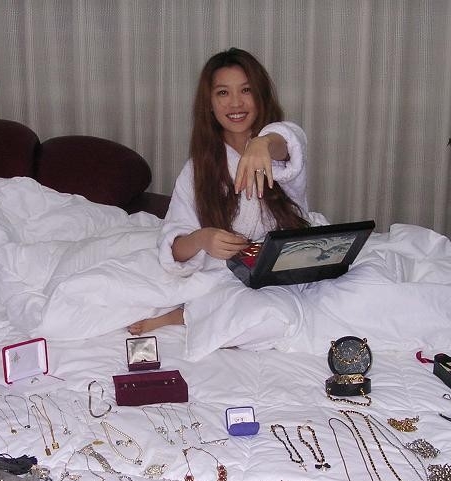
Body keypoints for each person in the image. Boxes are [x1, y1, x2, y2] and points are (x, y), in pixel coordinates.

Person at [128, 47, 321, 338]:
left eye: (246, 90)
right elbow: (175, 247)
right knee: (265, 318)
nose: (235, 103)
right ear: (209, 103)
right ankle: (188, 315)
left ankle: (201, 315)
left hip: (287, 263)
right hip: (228, 273)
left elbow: (291, 140)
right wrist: (202, 238)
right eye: (222, 93)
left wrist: (262, 144)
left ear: (260, 95)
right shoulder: (197, 169)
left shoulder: (277, 145)